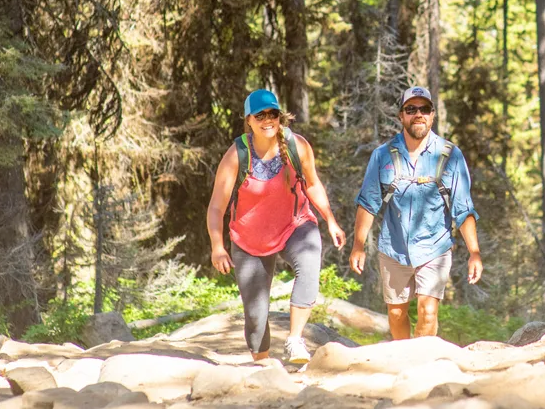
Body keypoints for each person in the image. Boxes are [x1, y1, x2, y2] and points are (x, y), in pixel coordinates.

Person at [206, 89, 346, 364]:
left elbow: (313, 184)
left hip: (294, 224)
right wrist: (217, 246)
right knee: (256, 318)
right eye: (261, 115)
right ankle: (263, 365)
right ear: (249, 120)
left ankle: (295, 340)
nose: (268, 120)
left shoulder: (297, 146)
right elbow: (216, 207)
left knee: (309, 261)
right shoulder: (237, 154)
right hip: (249, 239)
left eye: (273, 114)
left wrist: (330, 220)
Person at [350, 86, 483, 339]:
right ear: (401, 116)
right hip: (393, 247)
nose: (418, 115)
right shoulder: (382, 156)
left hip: (435, 248)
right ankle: (403, 360)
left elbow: (463, 209)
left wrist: (474, 252)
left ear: (433, 115)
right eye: (411, 109)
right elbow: (368, 203)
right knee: (397, 314)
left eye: (424, 109)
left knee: (428, 311)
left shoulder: (451, 156)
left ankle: (422, 366)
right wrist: (358, 245)